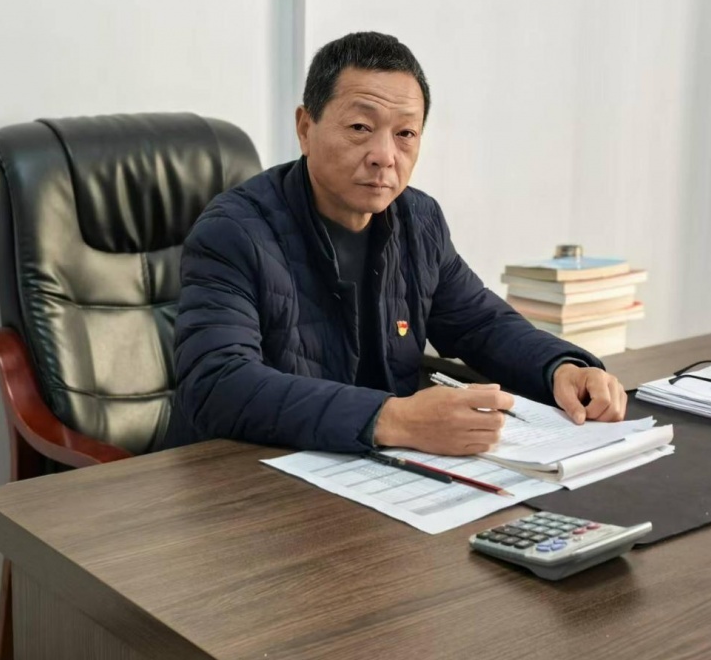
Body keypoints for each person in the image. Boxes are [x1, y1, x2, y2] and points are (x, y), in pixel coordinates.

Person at [161, 31, 627, 455]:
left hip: (369, 472)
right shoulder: (234, 231)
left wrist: (562, 368)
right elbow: (216, 384)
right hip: (242, 479)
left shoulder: (418, 220)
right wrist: (394, 419)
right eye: (360, 128)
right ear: (305, 128)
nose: (385, 156)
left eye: (405, 134)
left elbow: (482, 324)